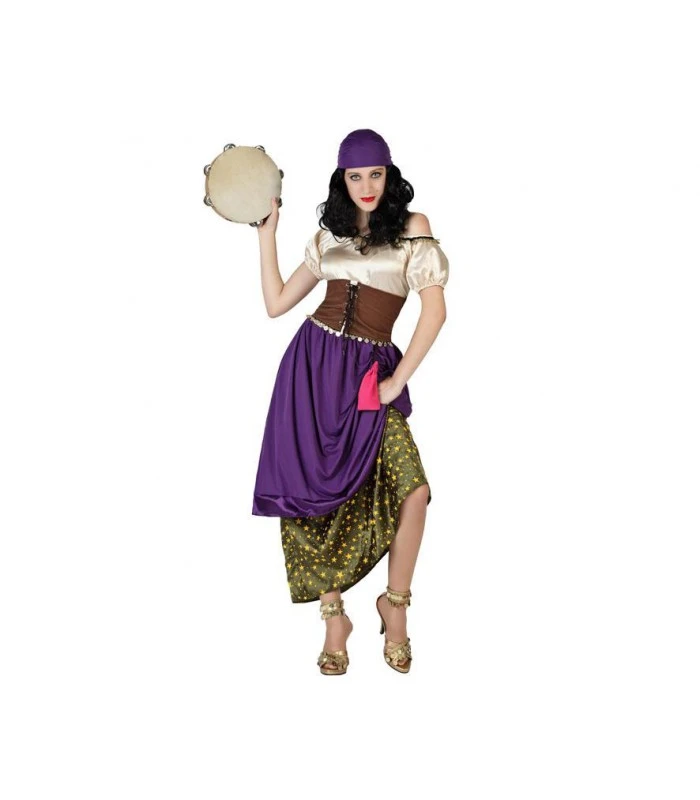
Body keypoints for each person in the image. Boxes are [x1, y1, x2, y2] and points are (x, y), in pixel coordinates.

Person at [252, 129, 449, 675]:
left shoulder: (412, 229)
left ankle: (395, 605)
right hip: (309, 372)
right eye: (355, 176)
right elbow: (276, 303)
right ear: (342, 179)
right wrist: (268, 235)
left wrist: (395, 382)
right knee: (312, 495)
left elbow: (434, 313)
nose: (366, 186)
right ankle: (334, 618)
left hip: (367, 376)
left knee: (414, 490)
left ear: (389, 175)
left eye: (375, 174)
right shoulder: (330, 234)